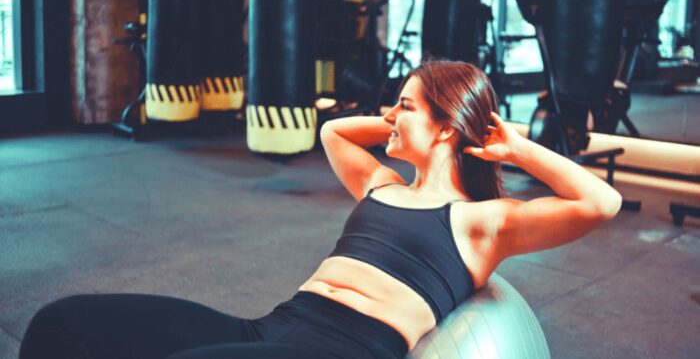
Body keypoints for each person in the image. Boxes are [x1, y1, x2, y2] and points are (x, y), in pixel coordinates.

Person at [19, 60, 622, 359]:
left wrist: (512, 146)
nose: (391, 114)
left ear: (444, 129)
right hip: (273, 327)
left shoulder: (482, 223)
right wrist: (399, 115)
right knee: (62, 323)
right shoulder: (382, 186)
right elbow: (334, 132)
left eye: (406, 106)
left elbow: (601, 201)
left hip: (344, 350)